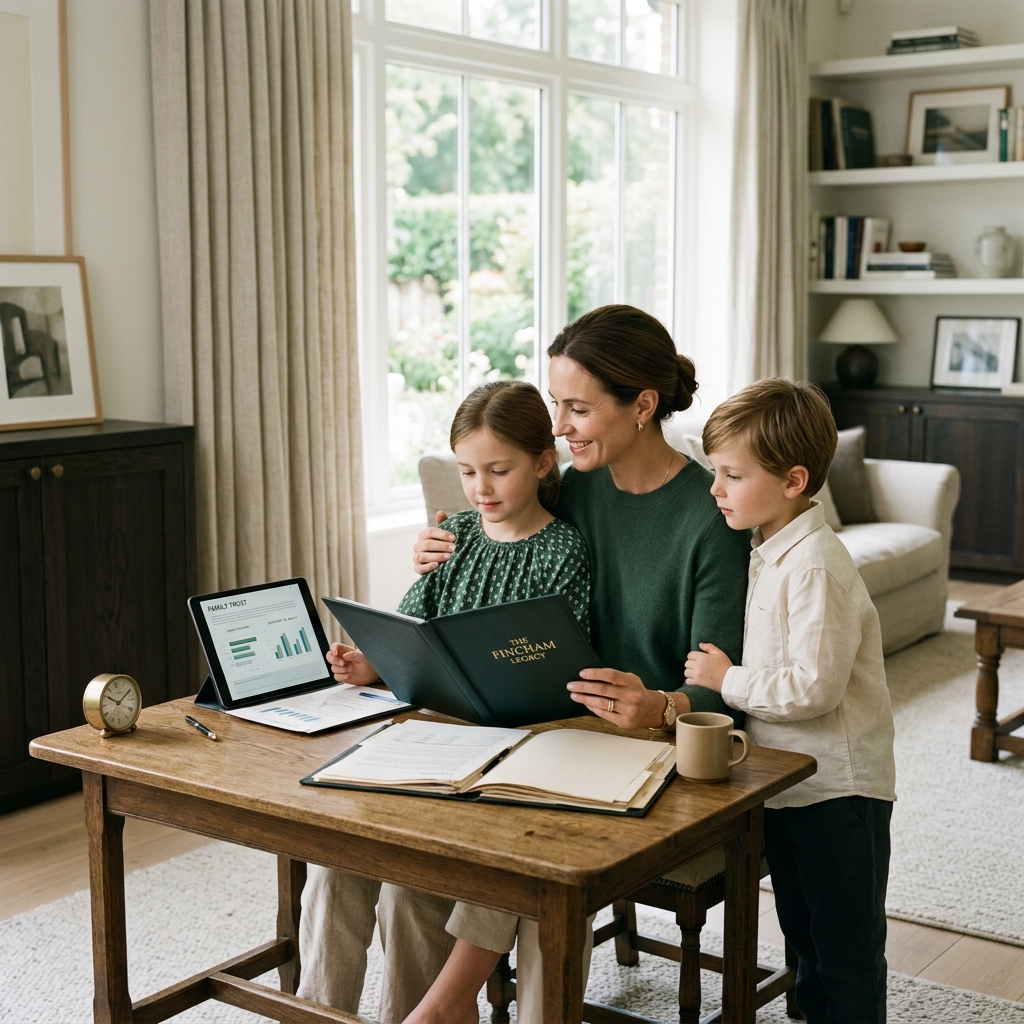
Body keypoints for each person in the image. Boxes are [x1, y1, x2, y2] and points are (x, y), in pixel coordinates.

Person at [406, 304, 751, 1024]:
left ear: (643, 405)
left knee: (525, 838)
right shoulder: (577, 488)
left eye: (576, 408)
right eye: (557, 403)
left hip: (650, 745)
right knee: (412, 856)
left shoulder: (708, 518)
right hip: (554, 727)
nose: (558, 426)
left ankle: (445, 1005)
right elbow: (500, 523)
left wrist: (659, 706)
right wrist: (436, 549)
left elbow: (719, 684)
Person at [297, 379, 591, 1023]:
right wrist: (368, 664)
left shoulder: (562, 550)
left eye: (498, 470)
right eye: (467, 471)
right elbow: (410, 630)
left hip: (514, 749)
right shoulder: (451, 536)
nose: (481, 488)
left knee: (408, 890)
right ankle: (318, 1014)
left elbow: (559, 666)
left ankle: (414, 1013)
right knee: (329, 867)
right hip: (426, 739)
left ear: (543, 464)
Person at [684, 378, 896, 1024]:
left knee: (846, 955)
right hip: (787, 789)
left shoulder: (815, 567)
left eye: (731, 475)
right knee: (803, 940)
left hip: (840, 792)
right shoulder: (767, 552)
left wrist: (728, 680)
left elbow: (814, 685)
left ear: (793, 480)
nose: (715, 489)